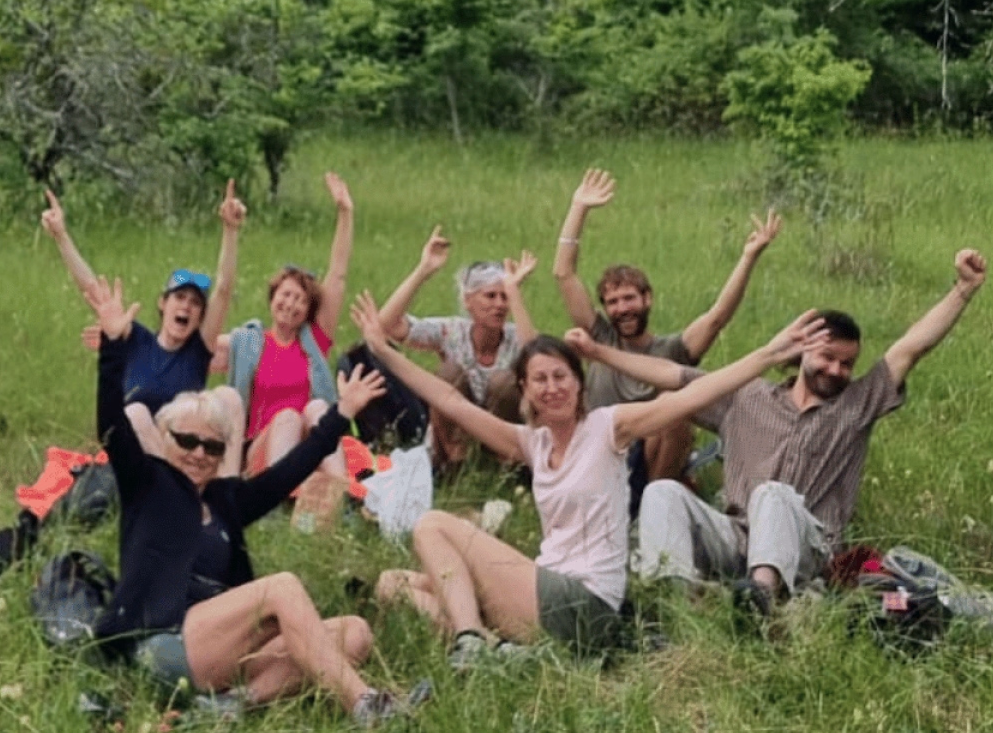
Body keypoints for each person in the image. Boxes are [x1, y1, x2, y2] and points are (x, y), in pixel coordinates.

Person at [352, 291, 829, 664]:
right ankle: (504, 651)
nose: (552, 388)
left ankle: (470, 641)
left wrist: (768, 355)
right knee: (393, 583)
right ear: (525, 390)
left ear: (579, 382)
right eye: (540, 380)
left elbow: (687, 397)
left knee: (433, 525)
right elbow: (450, 401)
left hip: (585, 603)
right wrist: (382, 351)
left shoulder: (607, 428)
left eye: (561, 376)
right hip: (545, 590)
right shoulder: (531, 443)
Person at [84, 276, 424, 726]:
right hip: (164, 640)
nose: (199, 453)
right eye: (186, 440)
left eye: (212, 446)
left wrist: (342, 412)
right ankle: (366, 705)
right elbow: (111, 423)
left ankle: (230, 706)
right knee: (279, 587)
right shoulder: (147, 484)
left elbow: (292, 469)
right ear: (164, 439)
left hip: (225, 643)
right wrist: (113, 346)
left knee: (354, 633)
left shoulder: (227, 500)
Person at [612, 248, 989, 618]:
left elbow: (912, 347)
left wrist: (963, 289)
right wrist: (598, 353)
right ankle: (671, 600)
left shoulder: (856, 405)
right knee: (662, 492)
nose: (837, 370)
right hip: (738, 536)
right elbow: (672, 375)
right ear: (801, 352)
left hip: (809, 547)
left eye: (847, 363)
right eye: (828, 357)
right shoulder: (747, 397)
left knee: (773, 493)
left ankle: (761, 599)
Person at [552, 166, 783, 485]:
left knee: (674, 411)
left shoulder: (672, 350)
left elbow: (717, 317)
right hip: (603, 453)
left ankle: (652, 502)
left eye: (629, 298)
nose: (622, 308)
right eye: (613, 302)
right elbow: (564, 274)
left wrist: (749, 257)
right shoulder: (599, 339)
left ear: (647, 299)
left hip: (651, 460)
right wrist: (578, 208)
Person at [41, 181, 246, 413]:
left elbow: (223, 289)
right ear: (163, 303)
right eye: (179, 297)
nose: (186, 306)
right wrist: (61, 236)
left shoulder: (199, 350)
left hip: (176, 435)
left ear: (201, 317)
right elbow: (92, 289)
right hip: (132, 434)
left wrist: (230, 230)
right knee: (135, 414)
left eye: (195, 303)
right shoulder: (138, 341)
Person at [372, 226, 538, 469]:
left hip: (504, 436)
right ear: (468, 301)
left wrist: (515, 292)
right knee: (449, 372)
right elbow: (387, 326)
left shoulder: (516, 334)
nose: (500, 305)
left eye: (505, 298)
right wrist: (423, 270)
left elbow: (537, 356)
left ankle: (504, 464)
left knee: (503, 382)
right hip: (457, 434)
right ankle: (454, 462)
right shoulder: (451, 331)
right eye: (490, 296)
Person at [229, 172, 355, 478]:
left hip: (308, 448)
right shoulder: (249, 342)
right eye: (286, 295)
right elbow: (198, 347)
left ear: (308, 311)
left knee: (317, 409)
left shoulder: (313, 342)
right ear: (273, 298)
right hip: (263, 448)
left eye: (300, 300)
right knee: (288, 418)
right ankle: (275, 493)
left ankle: (338, 490)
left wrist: (345, 213)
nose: (291, 304)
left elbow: (337, 276)